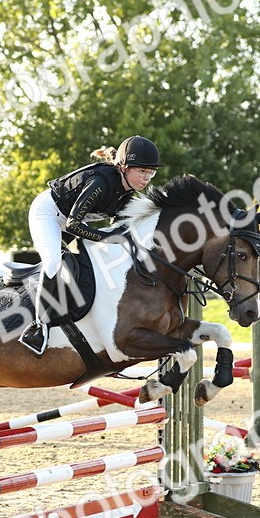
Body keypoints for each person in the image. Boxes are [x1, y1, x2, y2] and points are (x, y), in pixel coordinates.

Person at [21, 135, 164, 355]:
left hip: (71, 219)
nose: (146, 178)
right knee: (53, 262)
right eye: (142, 171)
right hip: (48, 213)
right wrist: (108, 238)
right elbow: (74, 224)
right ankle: (37, 326)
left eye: (151, 173)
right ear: (123, 167)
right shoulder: (101, 182)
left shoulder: (126, 193)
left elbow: (119, 227)